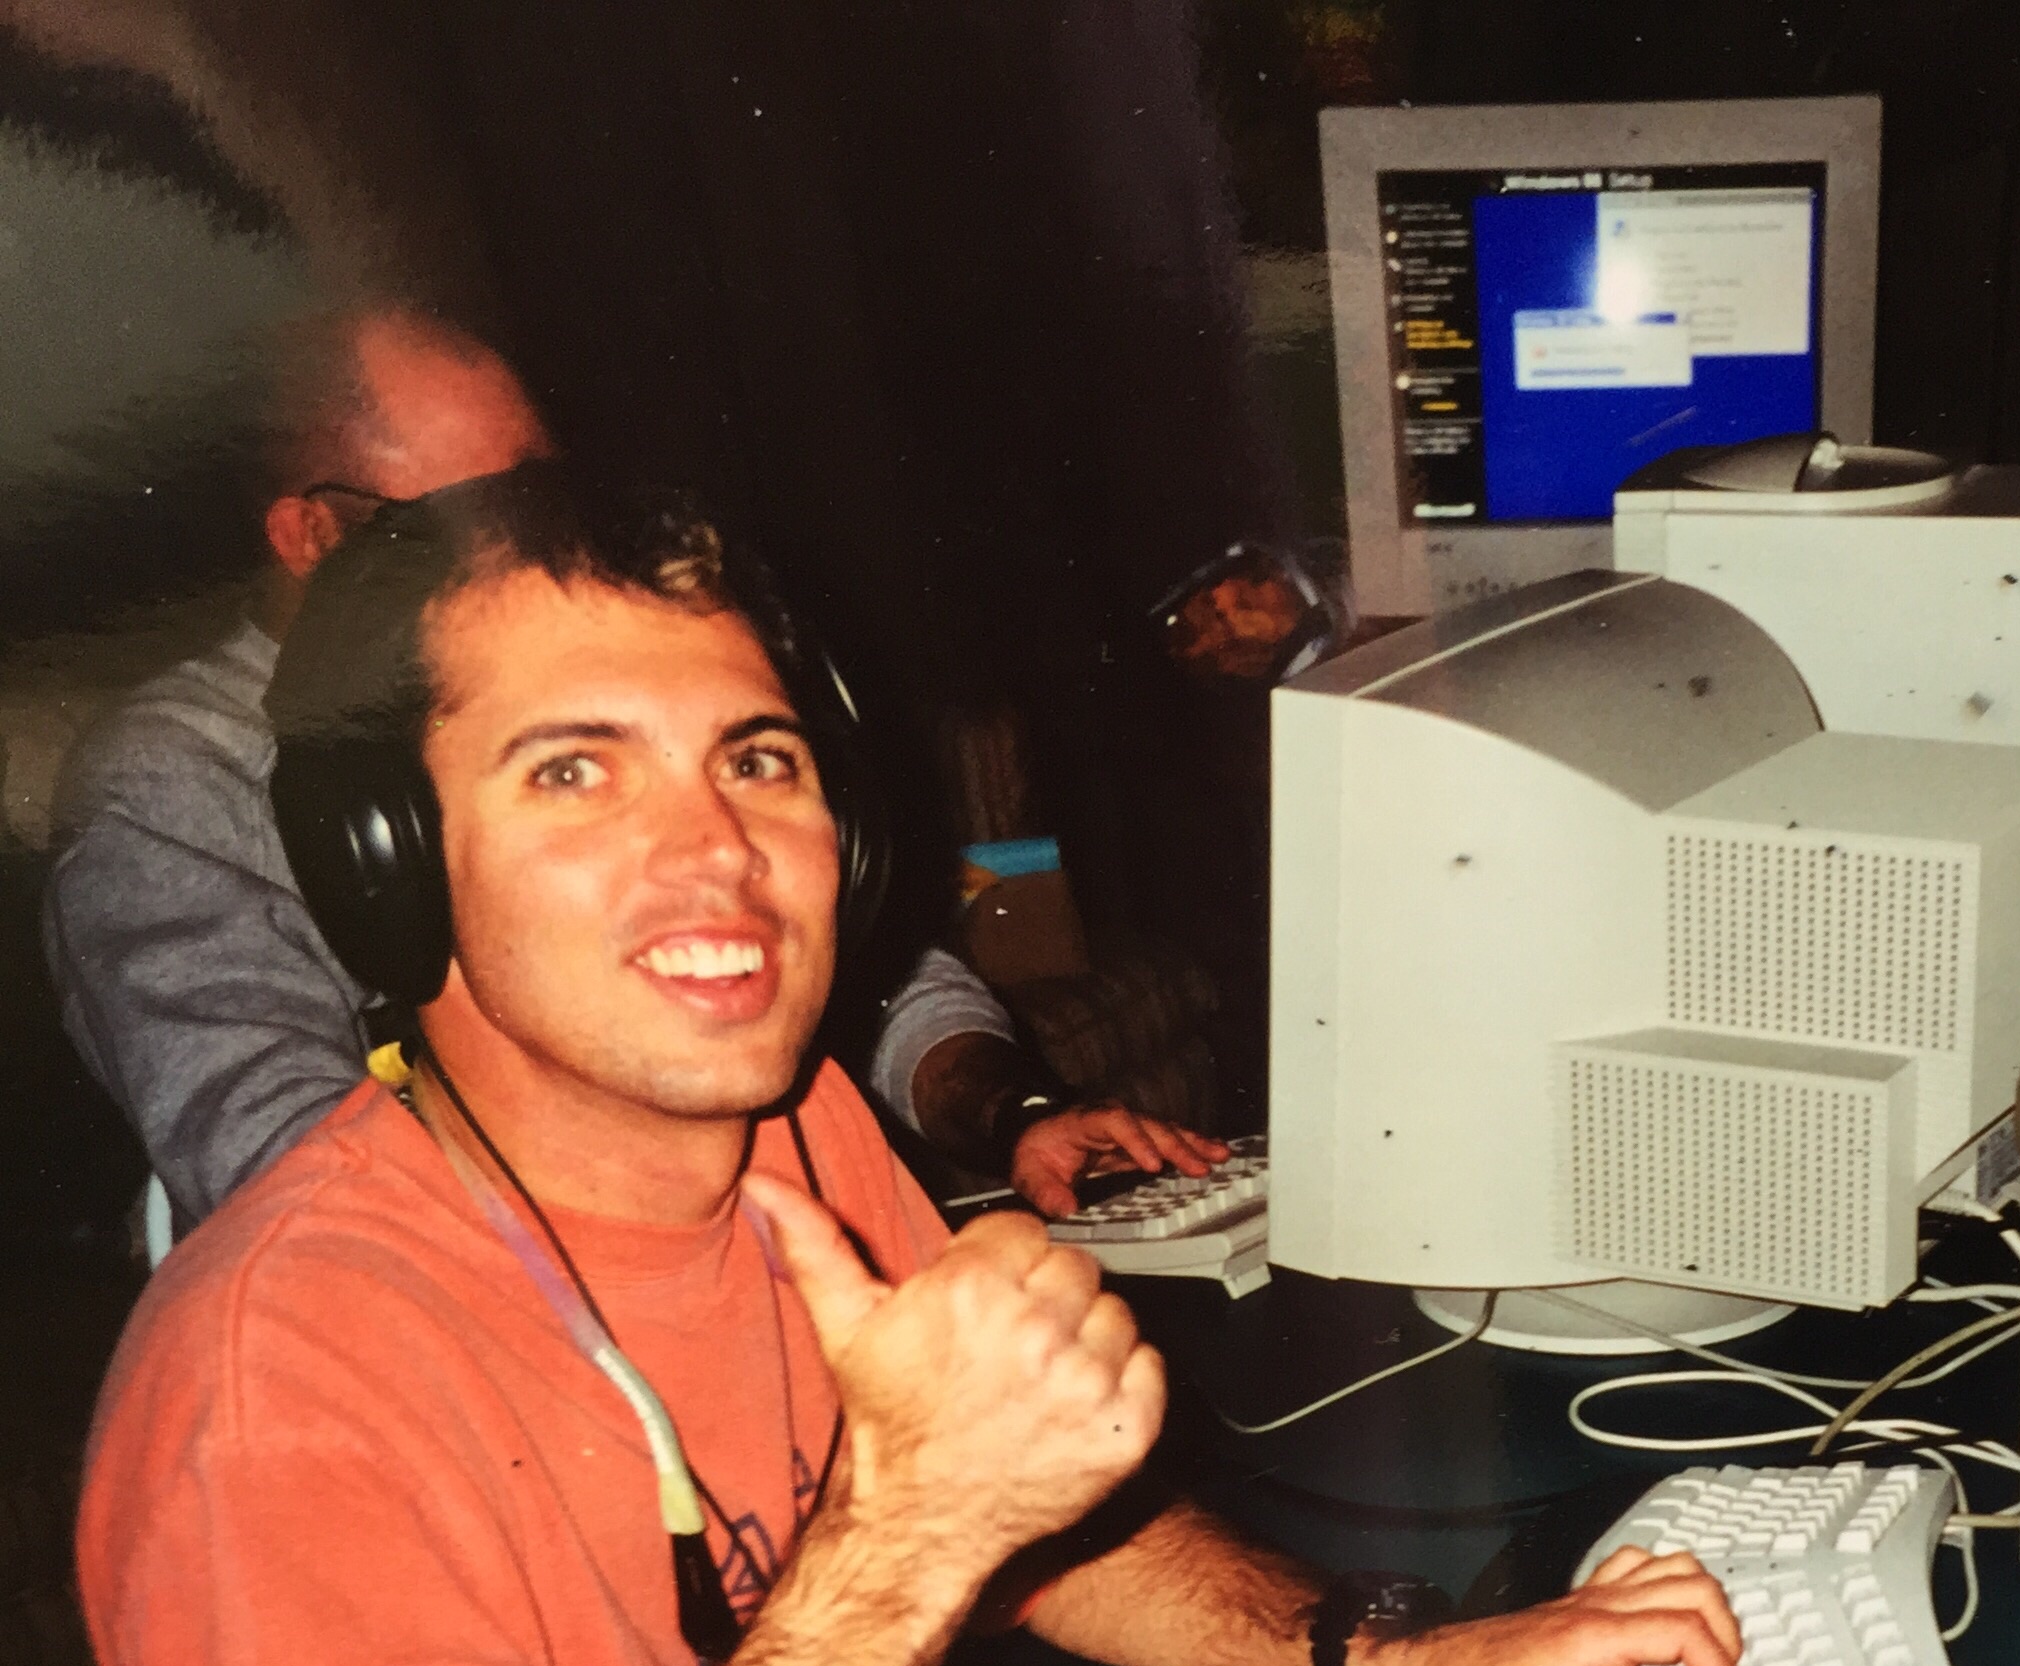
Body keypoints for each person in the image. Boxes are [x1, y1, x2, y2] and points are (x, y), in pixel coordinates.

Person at [72, 462, 1742, 1666]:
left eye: (757, 760)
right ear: (384, 862)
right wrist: (901, 1534)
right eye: (574, 771)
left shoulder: (784, 1133)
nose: (714, 853)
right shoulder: (280, 1387)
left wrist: (1390, 1652)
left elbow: (1019, 1506)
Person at [41, 304, 1201, 1234]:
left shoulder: (617, 680)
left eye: (543, 496)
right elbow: (266, 1138)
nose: (530, 549)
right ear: (313, 538)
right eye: (470, 519)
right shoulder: (171, 778)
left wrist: (1010, 1110)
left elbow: (861, 954)